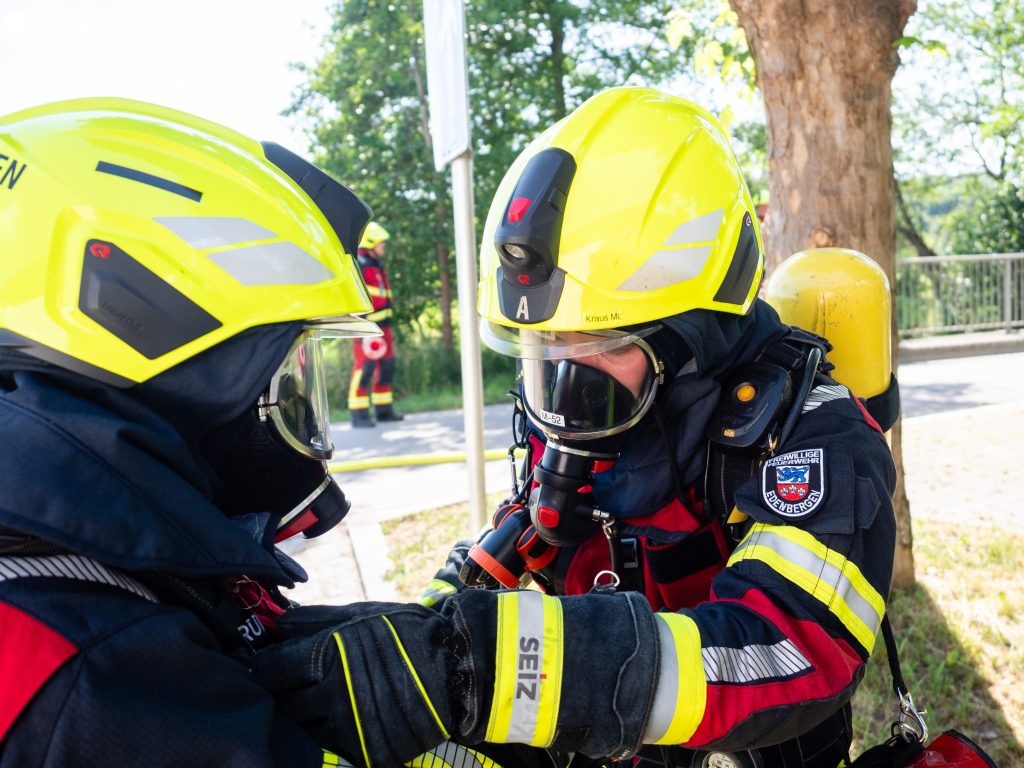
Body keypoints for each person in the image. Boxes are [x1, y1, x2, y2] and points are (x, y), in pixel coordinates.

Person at [247, 88, 899, 768]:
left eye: (597, 347)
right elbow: (533, 518)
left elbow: (791, 646)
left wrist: (493, 671)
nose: (564, 391)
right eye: (543, 353)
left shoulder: (812, 436)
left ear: (694, 334)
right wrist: (428, 631)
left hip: (755, 743)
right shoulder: (583, 404)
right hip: (598, 727)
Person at [0, 97, 386, 766]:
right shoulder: (92, 675)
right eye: (284, 378)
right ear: (139, 327)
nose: (300, 419)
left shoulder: (80, 581)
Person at [347, 221, 403, 427]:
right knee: (365, 368)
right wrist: (363, 325)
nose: (383, 247)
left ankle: (384, 411)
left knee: (387, 366)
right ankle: (358, 413)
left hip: (384, 327)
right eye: (381, 243)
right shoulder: (359, 265)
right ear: (370, 243)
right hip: (366, 327)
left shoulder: (377, 264)